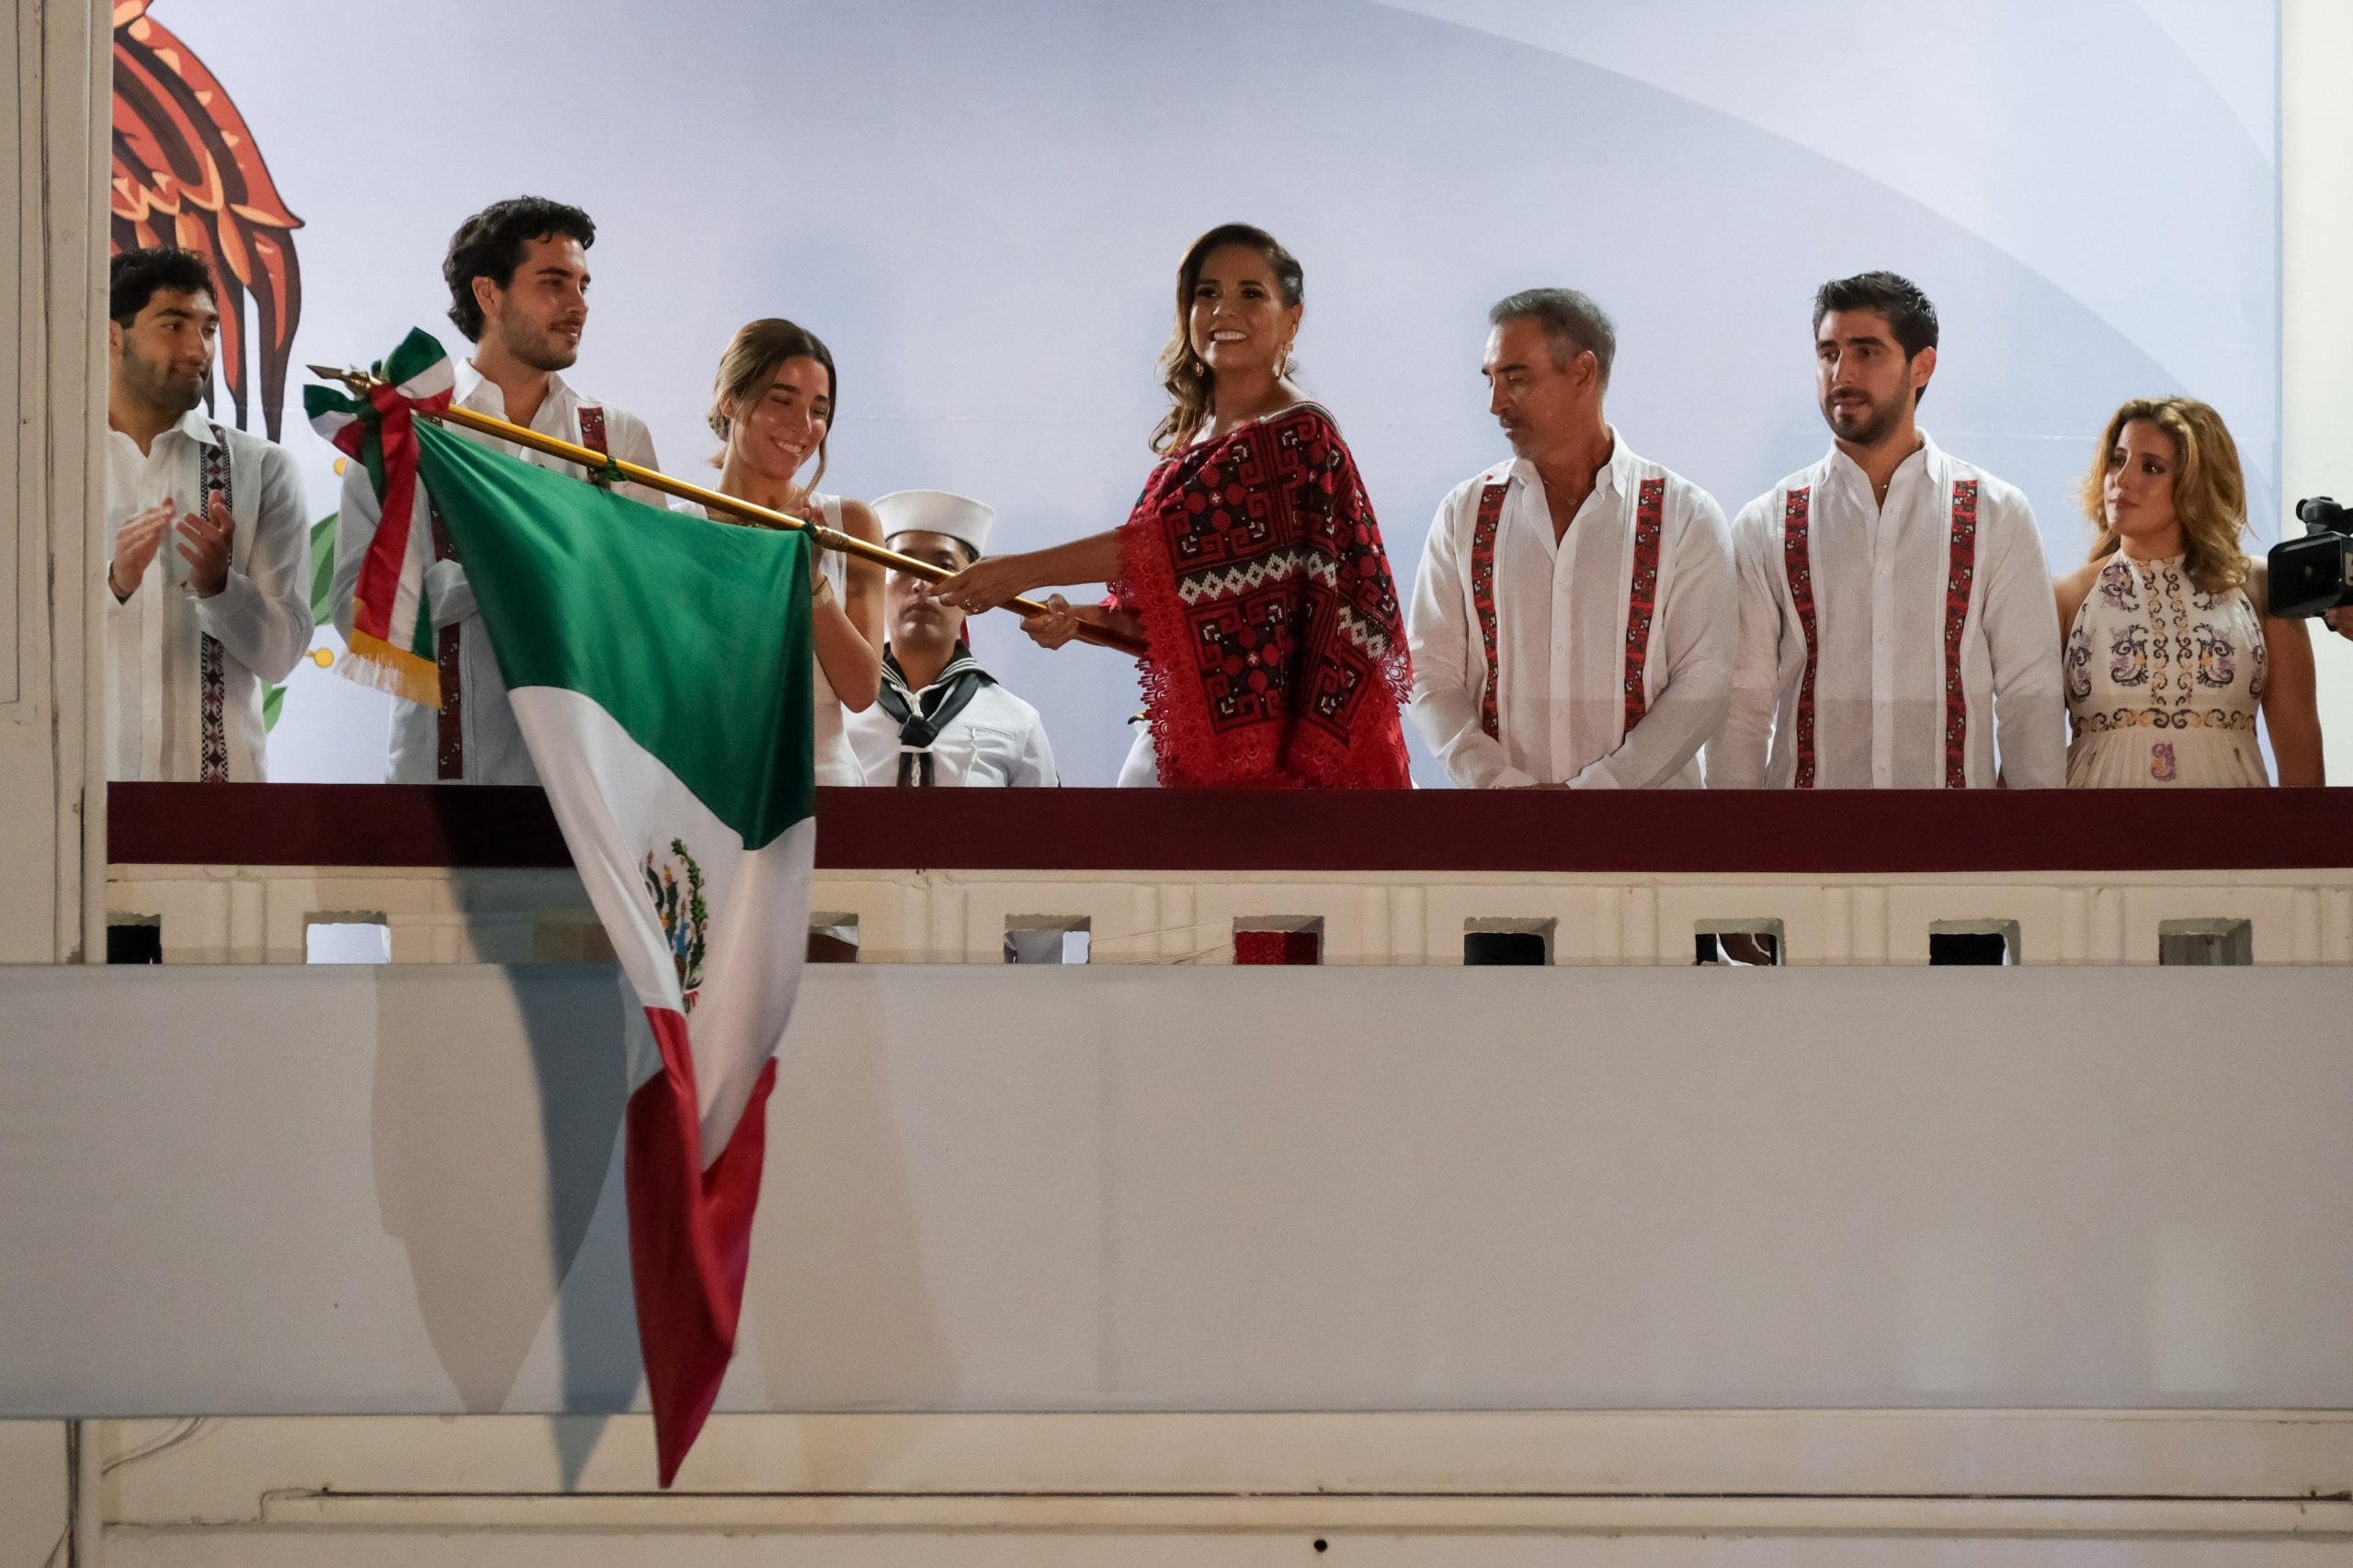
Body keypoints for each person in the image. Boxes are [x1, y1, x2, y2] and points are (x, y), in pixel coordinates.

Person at [929, 223, 1410, 788]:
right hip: (1186, 751)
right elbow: (1177, 601)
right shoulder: (1190, 449)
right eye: (1207, 293)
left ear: (1293, 319)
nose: (1223, 309)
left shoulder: (1299, 433)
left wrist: (1019, 570)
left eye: (1250, 293)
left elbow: (1162, 546)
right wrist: (1079, 619)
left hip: (1288, 766)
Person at [332, 196, 666, 783]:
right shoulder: (399, 430)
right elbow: (358, 617)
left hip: (590, 796)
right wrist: (502, 567)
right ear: (489, 294)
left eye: (584, 285)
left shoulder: (617, 437)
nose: (578, 305)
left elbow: (648, 613)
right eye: (554, 282)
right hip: (438, 784)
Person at [1711, 271, 2064, 789]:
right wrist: (1737, 854)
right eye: (1828, 353)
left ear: (1922, 366)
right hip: (1805, 851)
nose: (1841, 372)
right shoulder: (1769, 521)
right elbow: (1742, 707)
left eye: (1866, 352)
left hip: (1953, 849)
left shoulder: (1995, 513)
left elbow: (2029, 696)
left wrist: (2032, 854)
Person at [1408, 289, 1732, 788]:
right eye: (1490, 380)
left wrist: (1601, 791)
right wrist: (1496, 784)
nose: (1496, 403)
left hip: (1651, 846)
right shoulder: (1464, 513)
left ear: (1583, 372)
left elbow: (1704, 682)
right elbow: (1429, 673)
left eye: (1515, 378)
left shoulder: (1684, 516)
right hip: (1504, 840)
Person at [102, 246, 311, 782]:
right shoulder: (44, 470)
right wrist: (115, 584)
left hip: (221, 811)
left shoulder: (262, 469)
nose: (199, 349)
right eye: (174, 325)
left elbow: (282, 655)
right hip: (66, 809)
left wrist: (221, 588)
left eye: (210, 329)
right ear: (112, 335)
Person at [2054, 397, 2322, 785]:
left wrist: (2308, 846)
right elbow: (2027, 744)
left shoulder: (2264, 587)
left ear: (2197, 483)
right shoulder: (2067, 597)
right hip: (2093, 837)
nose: (2121, 479)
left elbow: (2301, 752)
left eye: (2151, 467)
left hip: (2236, 837)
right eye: (2117, 459)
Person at [704, 318, 884, 785]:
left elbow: (862, 690)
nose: (803, 427)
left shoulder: (853, 524)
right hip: (712, 786)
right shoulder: (677, 524)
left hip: (824, 787)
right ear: (731, 398)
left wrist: (812, 581)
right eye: (781, 400)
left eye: (819, 410)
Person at [847, 491, 1057, 787]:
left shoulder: (1017, 721)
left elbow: (1044, 829)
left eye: (943, 568)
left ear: (972, 591)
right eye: (903, 566)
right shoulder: (836, 712)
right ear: (880, 583)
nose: (920, 584)